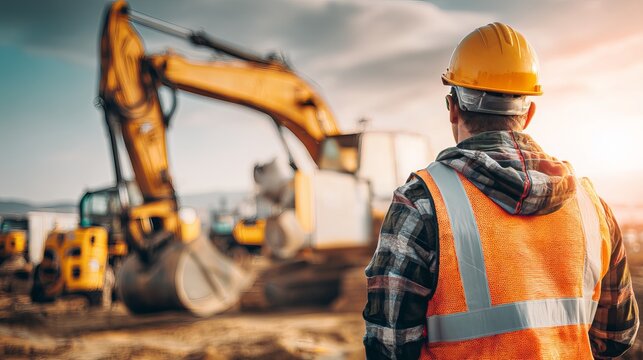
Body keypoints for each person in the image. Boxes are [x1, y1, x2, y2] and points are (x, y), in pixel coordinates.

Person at [363, 22, 639, 359]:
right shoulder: (591, 207)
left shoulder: (422, 203)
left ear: (452, 107)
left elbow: (387, 348)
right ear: (530, 113)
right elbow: (616, 336)